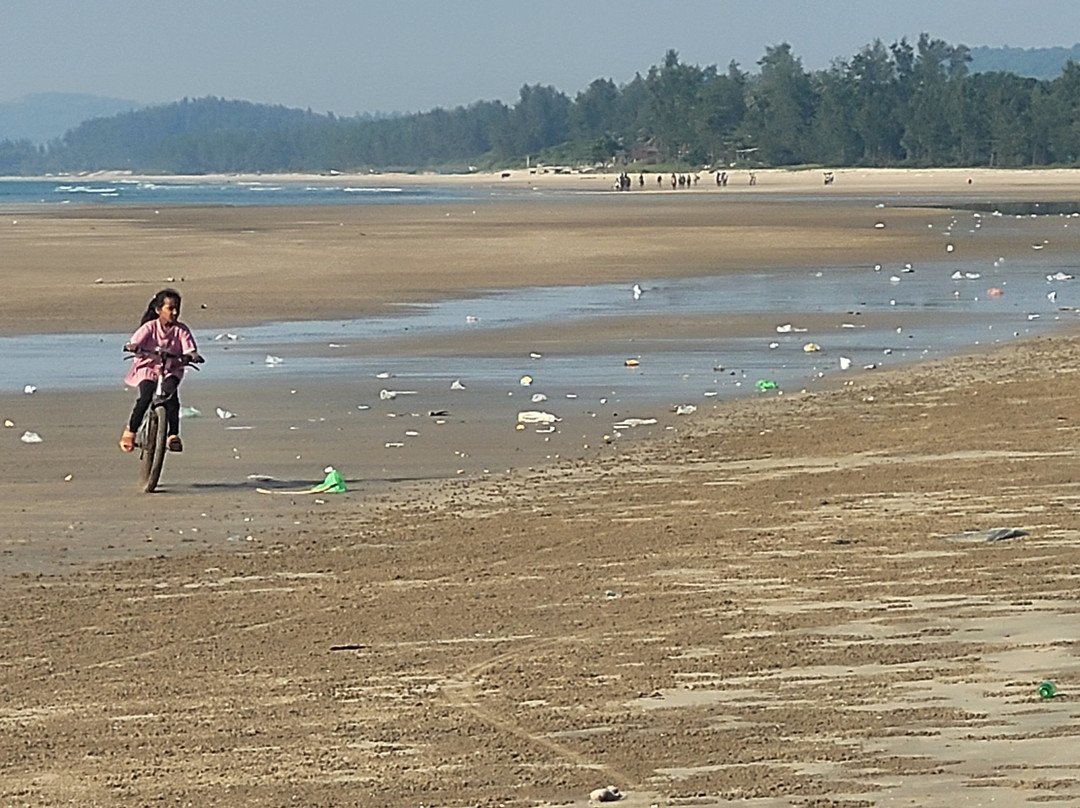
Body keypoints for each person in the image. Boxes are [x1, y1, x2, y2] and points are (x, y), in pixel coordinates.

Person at [119, 288, 203, 453]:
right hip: (148, 367)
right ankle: (130, 432)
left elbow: (189, 348)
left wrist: (192, 355)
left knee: (171, 396)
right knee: (145, 396)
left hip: (171, 368)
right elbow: (135, 341)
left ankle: (173, 435)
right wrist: (133, 347)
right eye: (170, 308)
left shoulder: (181, 330)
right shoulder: (150, 327)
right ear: (159, 310)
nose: (174, 312)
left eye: (177, 308)